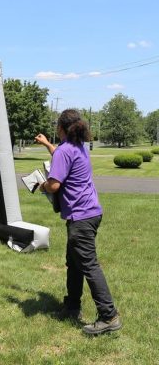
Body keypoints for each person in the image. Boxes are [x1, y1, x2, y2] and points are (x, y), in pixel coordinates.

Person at [35, 109, 121, 335]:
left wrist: (40, 185)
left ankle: (108, 315)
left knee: (89, 265)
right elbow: (61, 156)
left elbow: (53, 185)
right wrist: (47, 145)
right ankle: (72, 306)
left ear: (61, 128)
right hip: (90, 213)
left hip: (81, 217)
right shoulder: (79, 147)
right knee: (74, 263)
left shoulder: (65, 150)